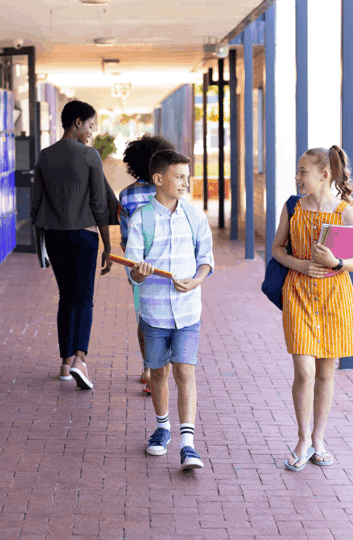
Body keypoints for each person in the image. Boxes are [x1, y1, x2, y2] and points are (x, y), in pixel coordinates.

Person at [270, 145, 353, 471]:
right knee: (305, 371)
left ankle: (319, 439)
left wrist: (336, 262)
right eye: (298, 171)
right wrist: (300, 263)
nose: (297, 177)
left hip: (334, 301)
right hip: (298, 296)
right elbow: (277, 250)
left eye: (303, 171)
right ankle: (302, 439)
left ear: (324, 175)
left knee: (326, 373)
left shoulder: (346, 213)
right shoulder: (293, 207)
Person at [127, 149, 214, 470]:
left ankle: (188, 444)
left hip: (189, 311)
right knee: (160, 373)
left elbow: (206, 258)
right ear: (159, 179)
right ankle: (162, 428)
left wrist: (196, 281)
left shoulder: (195, 216)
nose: (185, 182)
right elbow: (133, 272)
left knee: (185, 371)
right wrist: (140, 271)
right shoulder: (142, 220)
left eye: (187, 177)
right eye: (179, 177)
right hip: (154, 314)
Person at [30, 100, 113, 390]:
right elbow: (100, 204)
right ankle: (81, 360)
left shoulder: (45, 156)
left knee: (66, 297)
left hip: (54, 236)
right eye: (90, 125)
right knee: (84, 298)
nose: (91, 132)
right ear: (77, 122)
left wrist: (39, 242)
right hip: (84, 236)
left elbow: (36, 204)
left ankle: (65, 363)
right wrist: (108, 244)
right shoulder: (90, 155)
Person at [118, 135, 176, 396]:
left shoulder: (127, 195)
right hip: (170, 263)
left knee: (145, 318)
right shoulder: (169, 191)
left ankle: (149, 370)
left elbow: (124, 239)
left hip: (139, 267)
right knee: (169, 316)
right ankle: (161, 369)